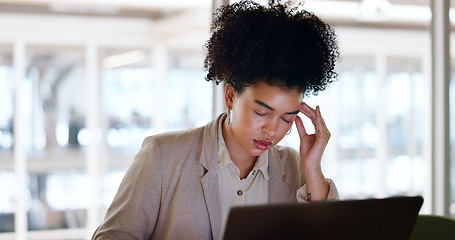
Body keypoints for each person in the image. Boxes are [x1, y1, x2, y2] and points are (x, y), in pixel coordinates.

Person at [92, 0, 340, 239]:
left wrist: (312, 169)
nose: (272, 130)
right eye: (261, 113)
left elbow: (325, 233)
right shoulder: (163, 156)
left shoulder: (291, 165)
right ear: (231, 95)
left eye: (287, 119)